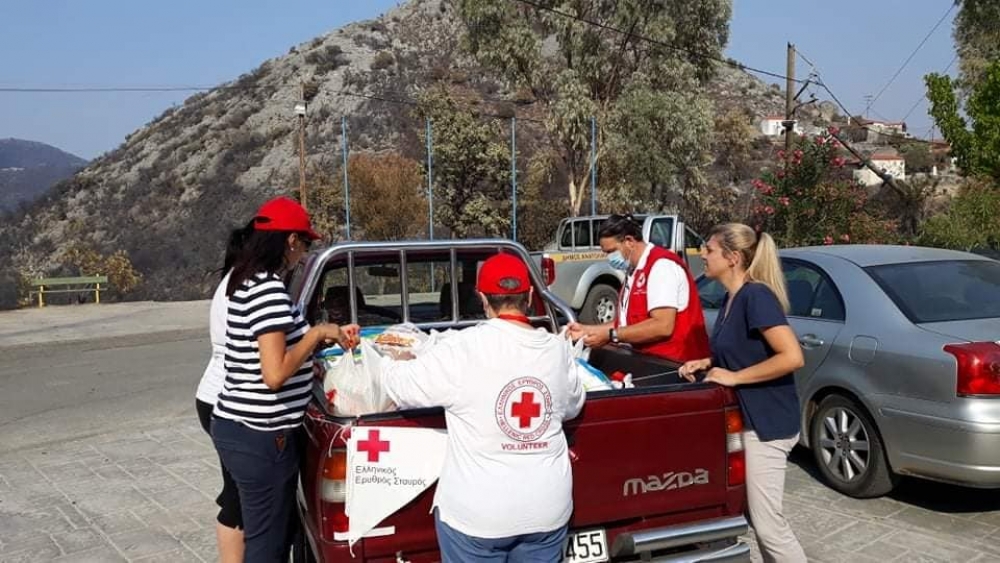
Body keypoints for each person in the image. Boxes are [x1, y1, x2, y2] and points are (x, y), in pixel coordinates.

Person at [375, 253, 586, 562]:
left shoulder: (462, 349)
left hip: (478, 517)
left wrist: (389, 360)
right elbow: (573, 405)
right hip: (548, 510)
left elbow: (400, 387)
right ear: (530, 296)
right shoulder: (557, 350)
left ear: (482, 299)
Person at [210, 196, 359, 563]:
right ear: (291, 241)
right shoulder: (268, 290)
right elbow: (274, 374)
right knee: (268, 546)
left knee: (264, 531)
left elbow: (268, 351)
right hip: (262, 437)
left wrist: (320, 341)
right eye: (305, 243)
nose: (304, 253)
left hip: (238, 428)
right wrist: (317, 333)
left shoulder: (246, 280)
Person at [678, 223, 806, 563]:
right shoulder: (731, 298)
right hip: (748, 421)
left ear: (733, 257)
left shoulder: (756, 296)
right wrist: (707, 362)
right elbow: (742, 350)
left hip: (767, 424)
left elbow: (792, 357)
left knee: (768, 526)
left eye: (709, 249)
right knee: (756, 518)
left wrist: (734, 377)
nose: (702, 255)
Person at [568, 213, 710, 363]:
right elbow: (624, 324)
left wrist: (611, 336)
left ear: (629, 241)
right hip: (646, 362)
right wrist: (587, 330)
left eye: (611, 251)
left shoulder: (661, 267)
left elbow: (662, 326)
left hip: (674, 364)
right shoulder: (632, 271)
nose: (609, 258)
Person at [194, 219, 253, 563]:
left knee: (237, 492)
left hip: (213, 395)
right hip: (224, 399)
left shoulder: (232, 281)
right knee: (237, 498)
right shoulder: (245, 286)